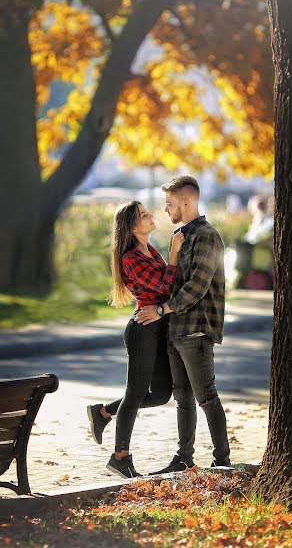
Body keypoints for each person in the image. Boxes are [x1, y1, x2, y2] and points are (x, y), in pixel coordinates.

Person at [135, 175, 231, 473]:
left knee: (206, 397)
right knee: (183, 399)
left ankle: (222, 461)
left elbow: (197, 286)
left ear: (185, 202)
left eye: (169, 203)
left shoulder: (206, 236)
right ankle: (183, 458)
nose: (165, 209)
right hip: (177, 328)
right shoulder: (180, 236)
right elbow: (171, 281)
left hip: (197, 329)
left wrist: (162, 309)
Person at [87, 201, 184, 479]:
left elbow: (168, 286)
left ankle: (103, 412)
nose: (150, 215)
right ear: (132, 227)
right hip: (142, 330)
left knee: (161, 394)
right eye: (143, 215)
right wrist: (174, 253)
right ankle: (120, 457)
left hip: (158, 326)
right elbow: (165, 285)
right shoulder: (131, 257)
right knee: (136, 392)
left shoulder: (149, 250)